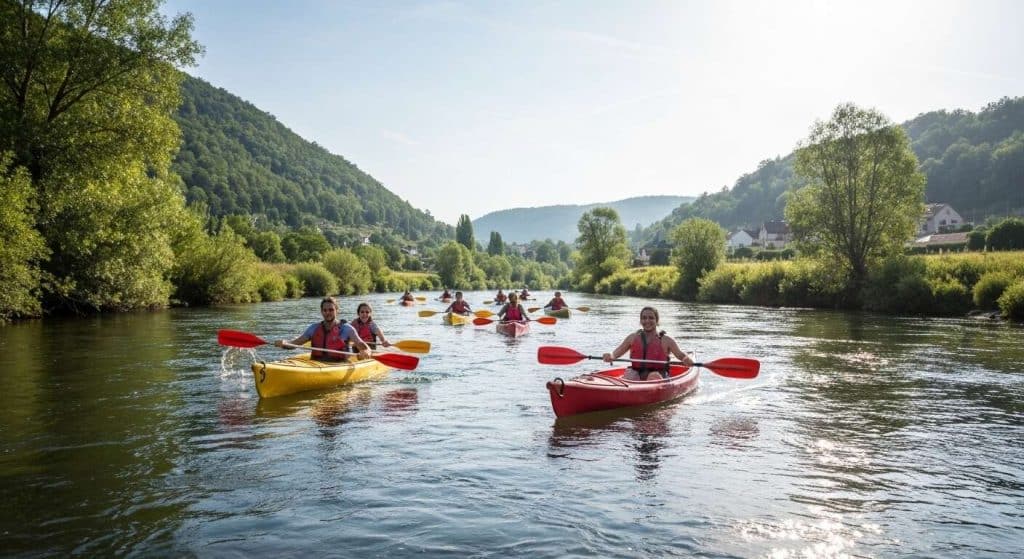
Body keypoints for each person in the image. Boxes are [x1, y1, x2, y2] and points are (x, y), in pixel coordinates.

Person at [602, 306, 693, 380]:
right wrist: (610, 356)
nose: (647, 321)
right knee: (629, 375)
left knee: (653, 376)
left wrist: (686, 358)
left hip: (659, 375)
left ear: (657, 321)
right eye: (644, 318)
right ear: (640, 321)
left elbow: (680, 355)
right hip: (637, 374)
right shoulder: (632, 337)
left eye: (651, 318)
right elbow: (616, 353)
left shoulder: (666, 340)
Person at [276, 297, 371, 362]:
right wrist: (284, 343)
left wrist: (367, 352)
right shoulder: (313, 328)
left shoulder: (347, 329)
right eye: (325, 310)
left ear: (337, 310)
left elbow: (362, 345)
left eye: (331, 310)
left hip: (339, 365)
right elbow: (294, 343)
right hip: (316, 364)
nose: (328, 313)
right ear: (321, 311)